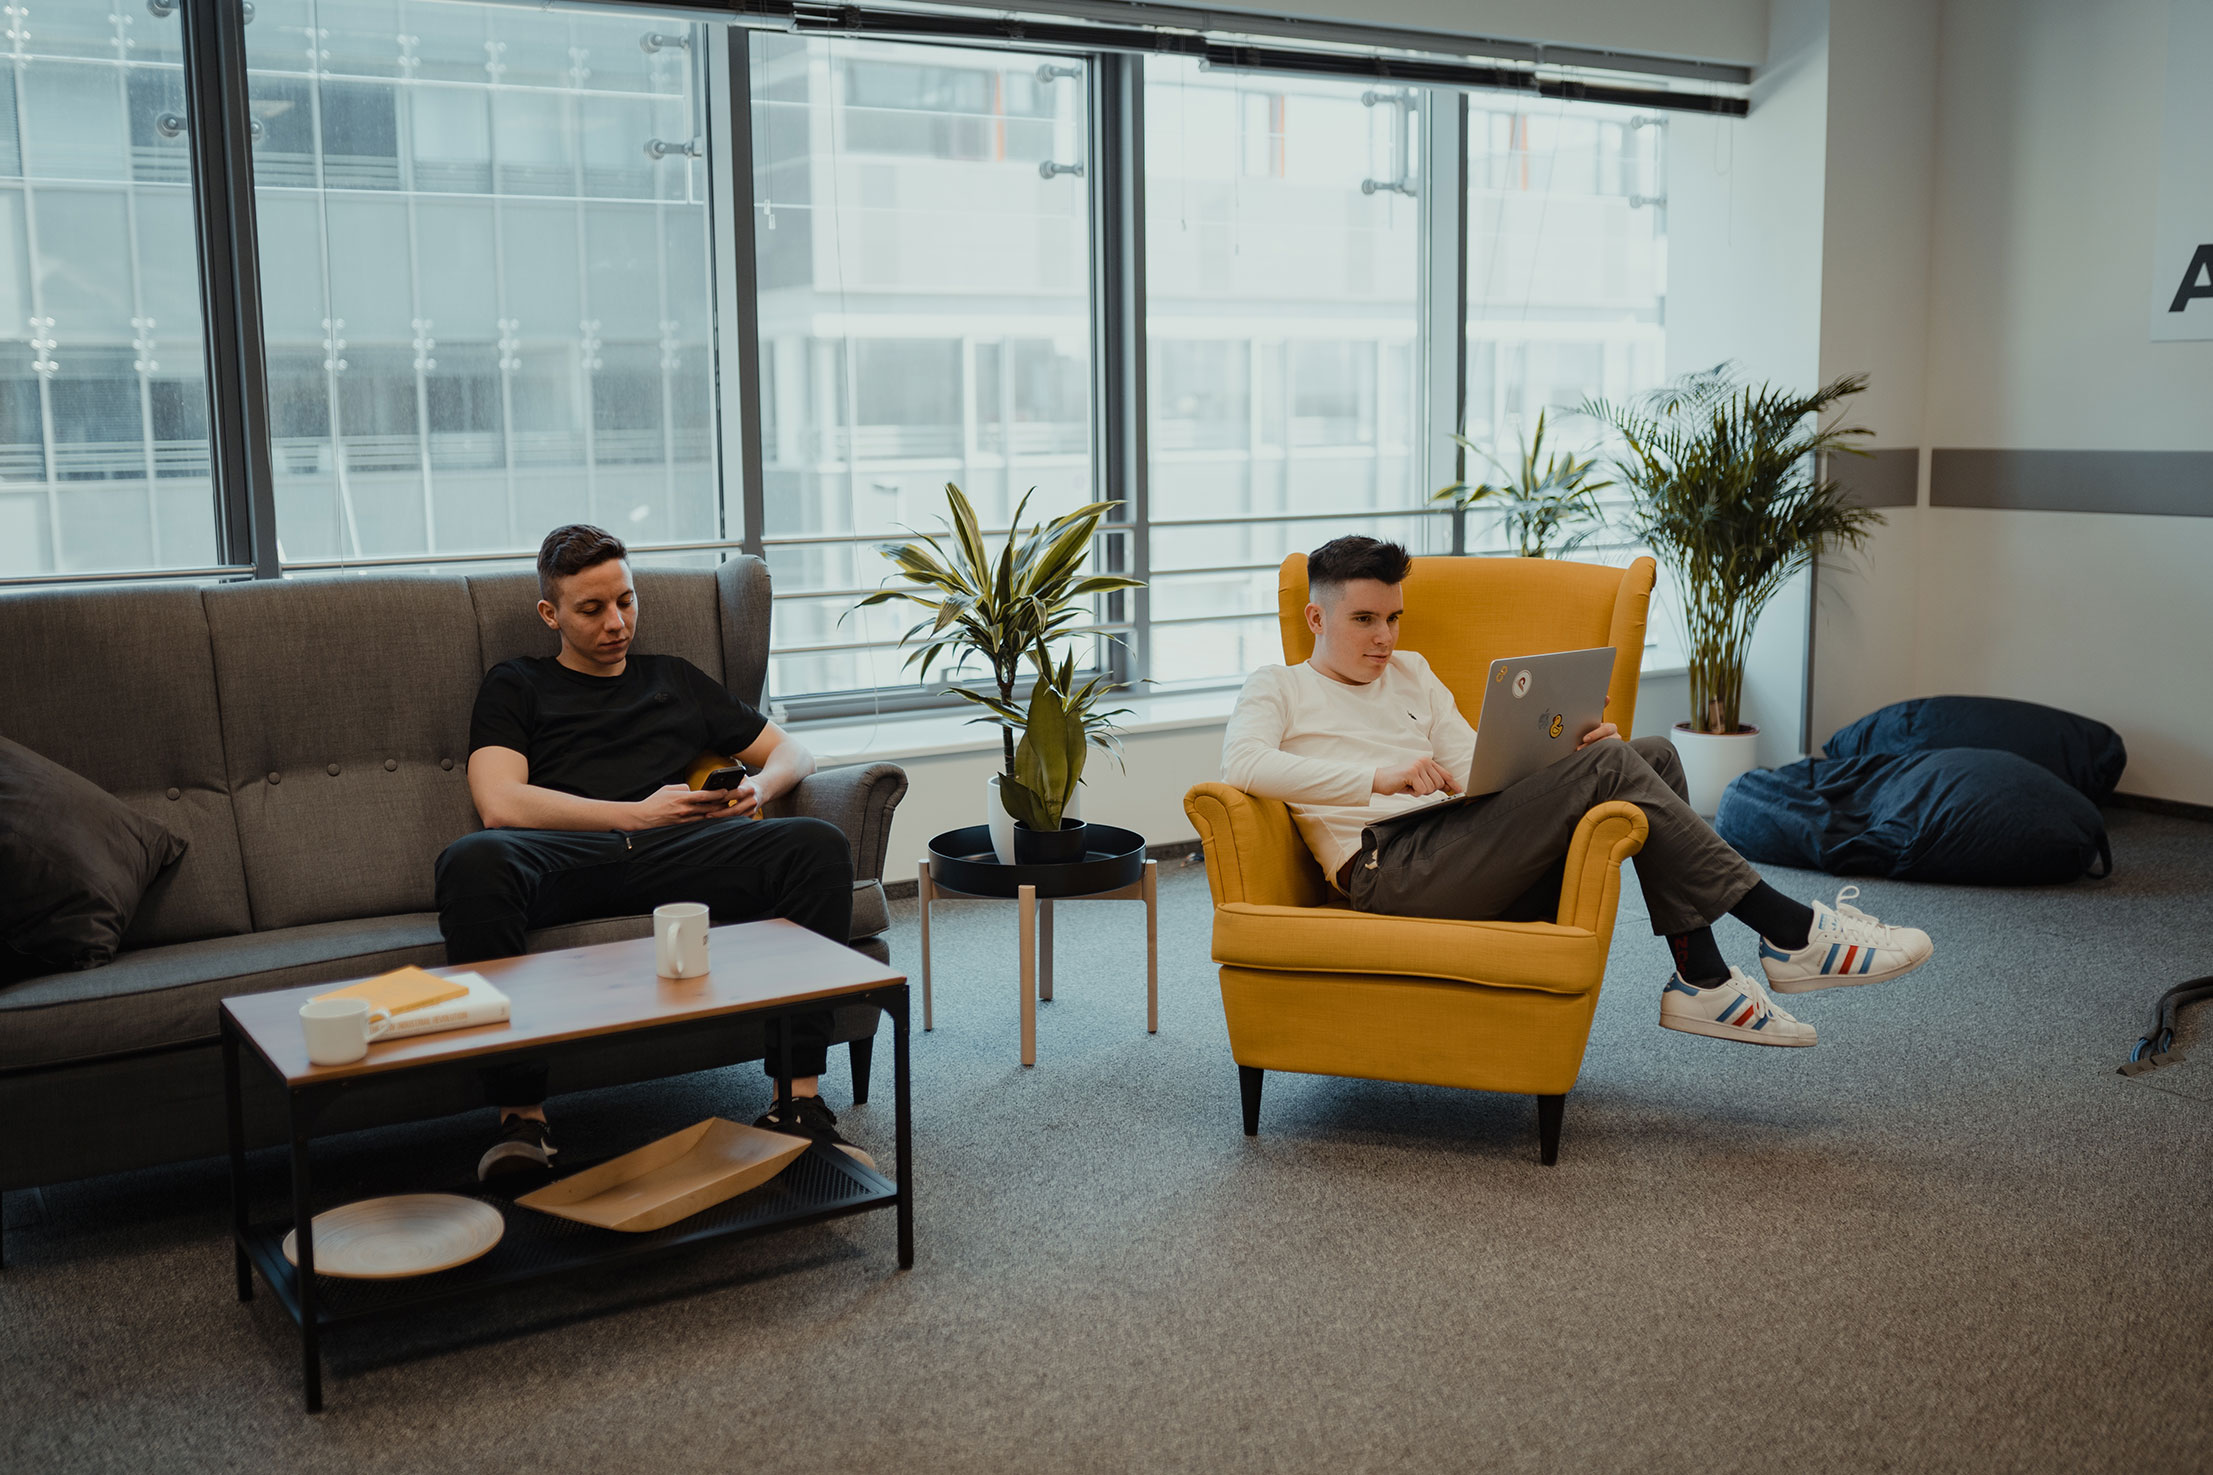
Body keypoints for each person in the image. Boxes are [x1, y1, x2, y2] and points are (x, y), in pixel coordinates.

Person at [1221, 535, 1934, 1047]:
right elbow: (1244, 767)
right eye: (1364, 619)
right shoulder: (1278, 686)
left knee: (1640, 752)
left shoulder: (1410, 671)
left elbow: (1476, 767)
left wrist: (1563, 754)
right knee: (1618, 765)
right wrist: (1375, 777)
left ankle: (1702, 977)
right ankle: (1789, 932)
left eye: (1393, 617)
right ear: (1316, 618)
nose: (1384, 636)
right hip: (1388, 870)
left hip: (1463, 846)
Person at [436, 524, 861, 1183]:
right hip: (566, 857)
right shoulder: (516, 684)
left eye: (626, 601)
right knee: (473, 863)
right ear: (550, 613)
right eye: (592, 608)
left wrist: (759, 787)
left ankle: (796, 1102)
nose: (616, 622)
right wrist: (632, 813)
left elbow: (791, 751)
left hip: (678, 857)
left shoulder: (675, 680)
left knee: (817, 847)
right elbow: (499, 801)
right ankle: (523, 1120)